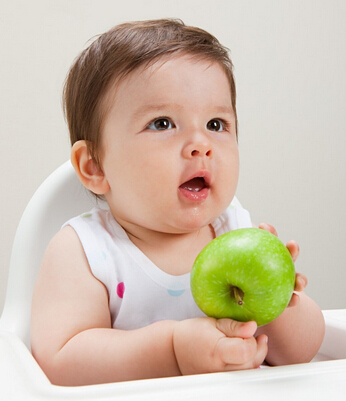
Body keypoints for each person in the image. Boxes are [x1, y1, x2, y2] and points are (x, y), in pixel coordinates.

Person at [31, 19, 325, 386]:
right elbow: (59, 361)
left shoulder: (234, 231)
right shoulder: (87, 252)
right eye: (163, 123)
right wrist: (172, 351)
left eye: (216, 124)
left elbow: (305, 353)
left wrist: (279, 304)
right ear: (94, 166)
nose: (201, 144)